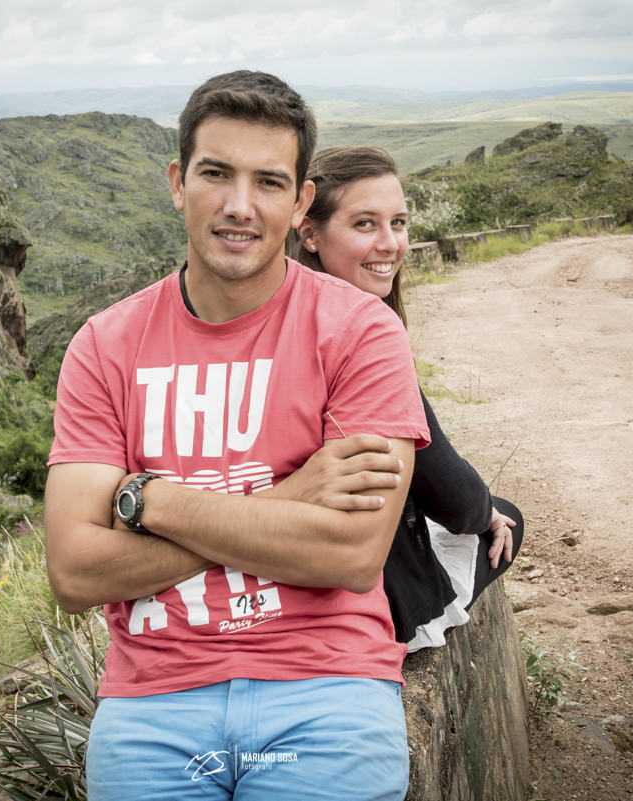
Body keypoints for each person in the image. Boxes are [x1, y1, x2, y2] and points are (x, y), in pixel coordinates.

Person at [44, 72, 427, 800]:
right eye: (216, 173)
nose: (240, 206)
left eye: (269, 182)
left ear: (302, 201)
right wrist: (287, 498)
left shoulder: (361, 333)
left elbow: (350, 551)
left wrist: (146, 497)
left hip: (327, 688)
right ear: (177, 182)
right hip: (152, 701)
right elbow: (74, 572)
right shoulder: (105, 345)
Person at [285, 145, 524, 650]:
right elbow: (452, 495)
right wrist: (487, 514)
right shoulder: (362, 339)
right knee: (505, 519)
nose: (390, 243)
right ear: (309, 233)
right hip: (369, 598)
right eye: (365, 225)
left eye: (399, 222)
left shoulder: (273, 326)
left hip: (276, 570)